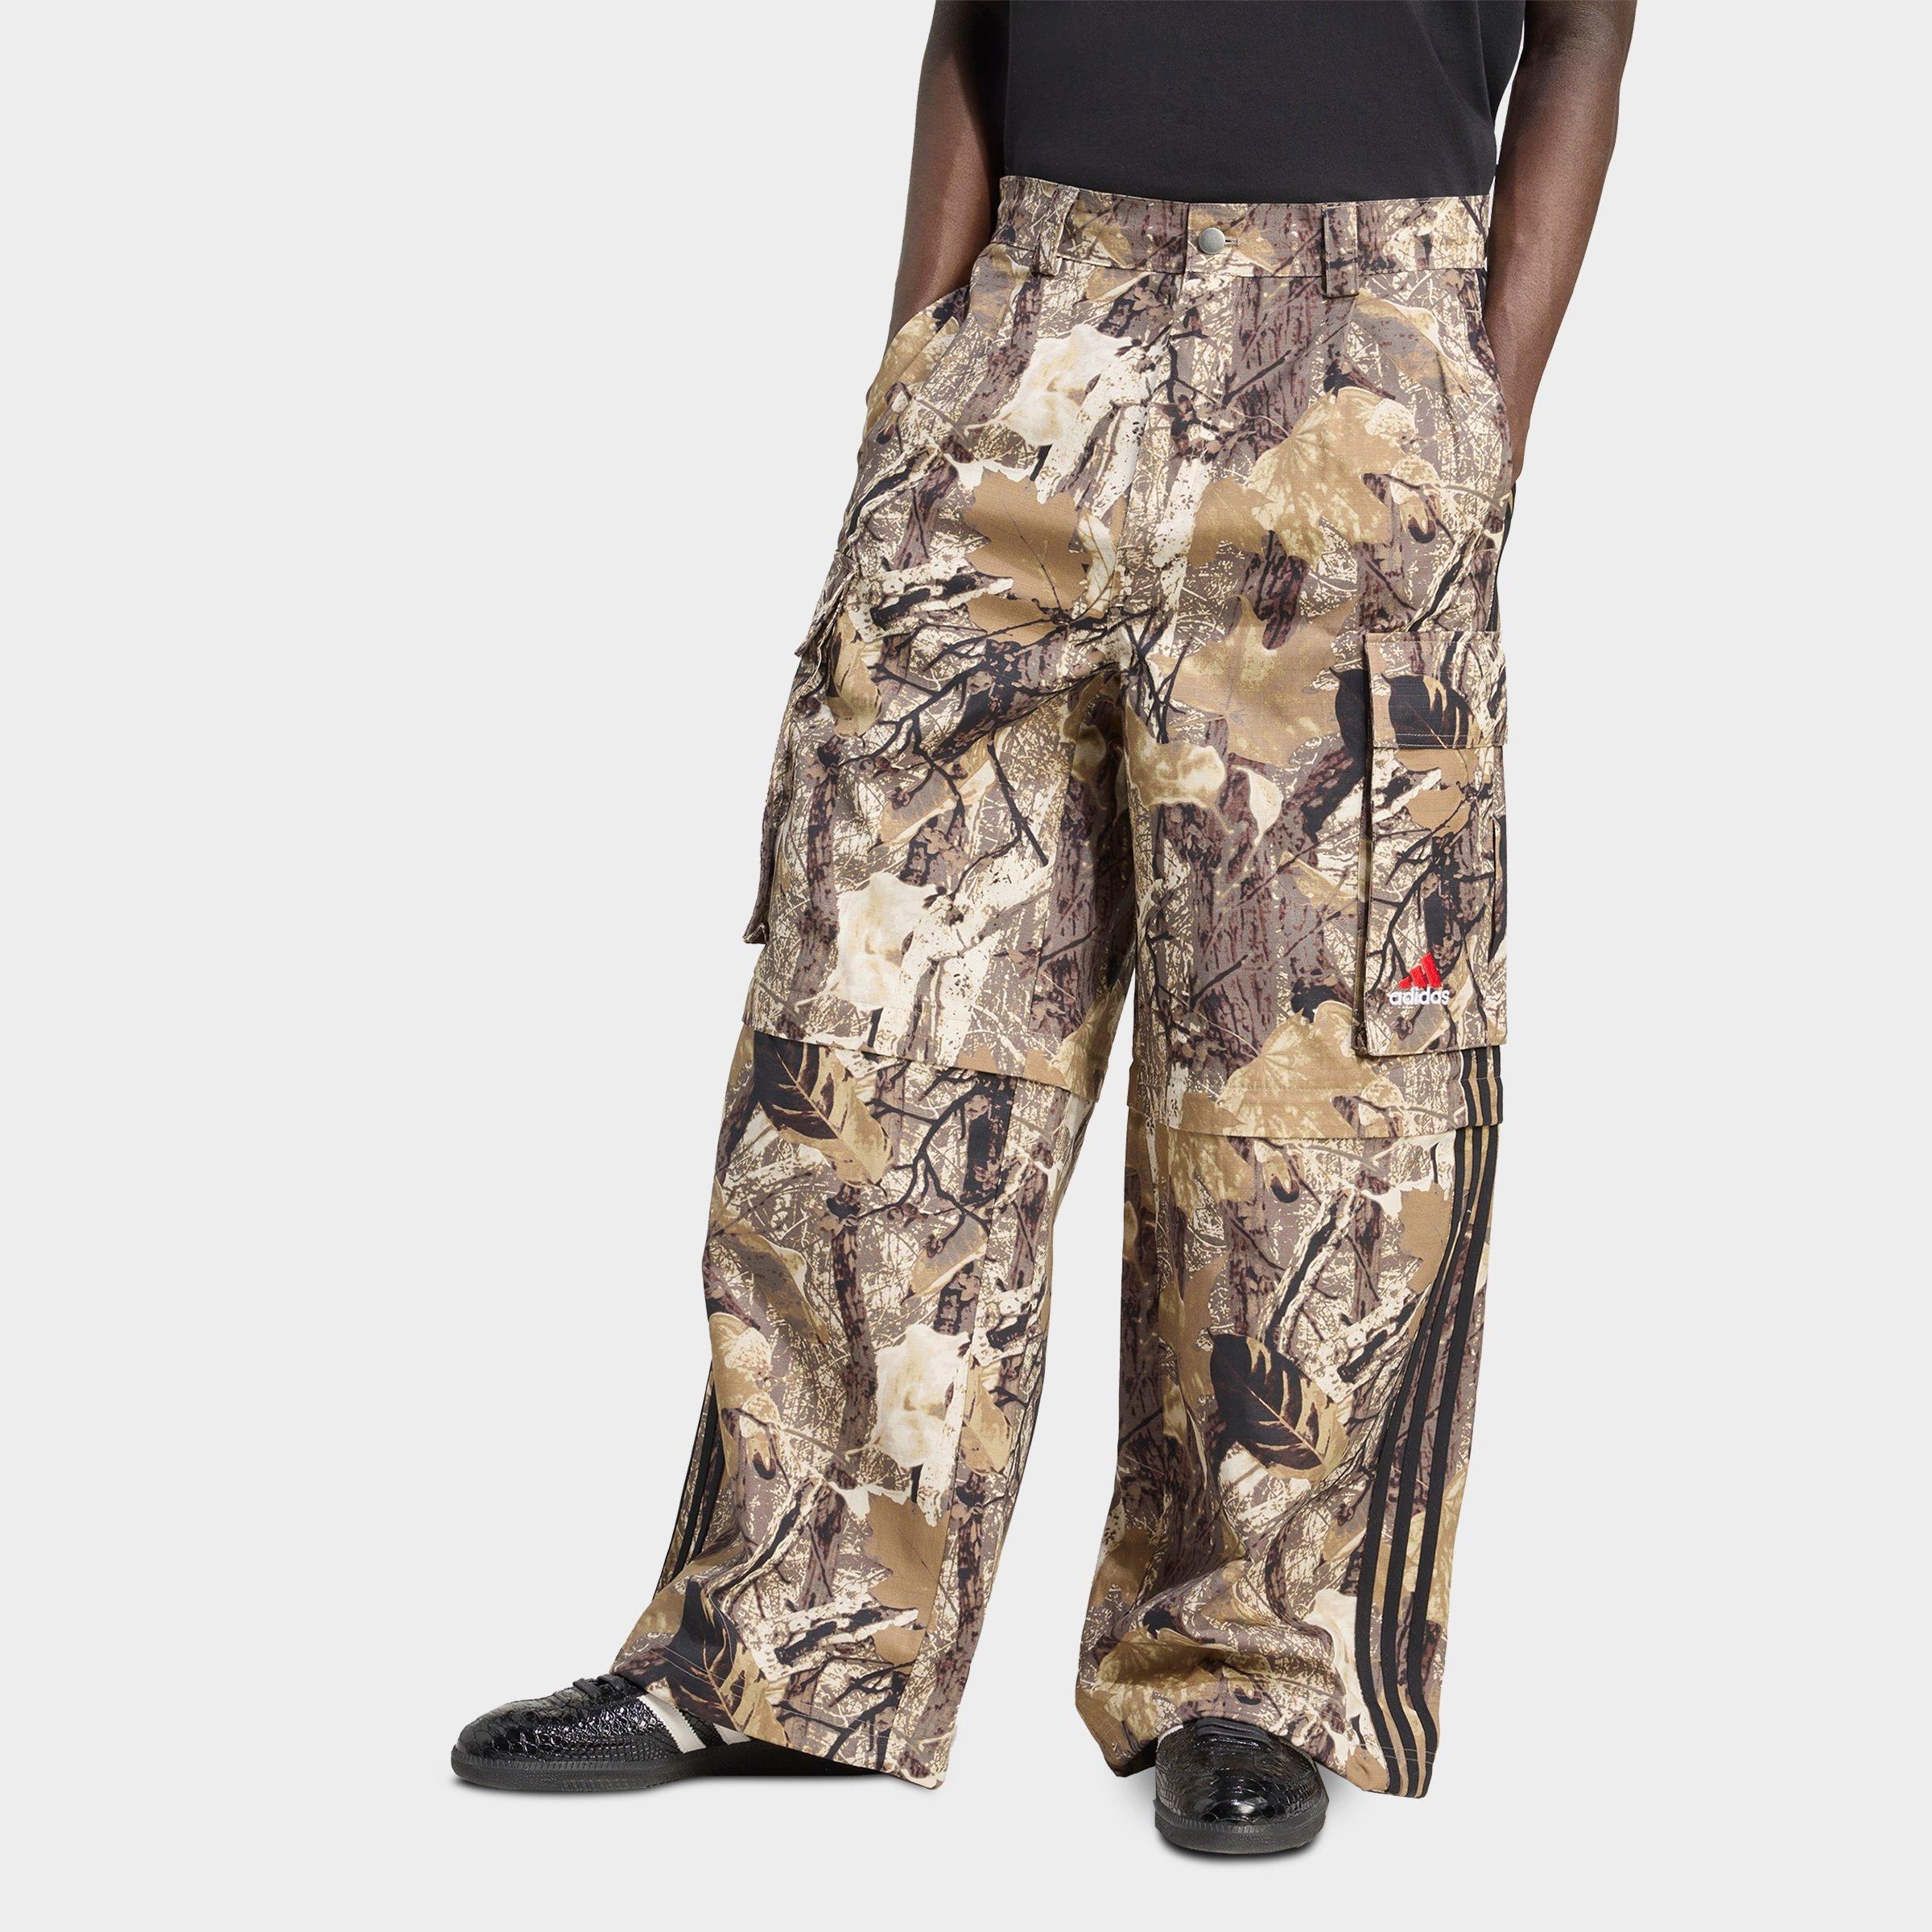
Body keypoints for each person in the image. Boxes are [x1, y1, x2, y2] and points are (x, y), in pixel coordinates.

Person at [452, 0, 1634, 1855]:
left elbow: (1584, 30)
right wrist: (921, 371)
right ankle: (790, 1647)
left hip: (1366, 344)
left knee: (1309, 1082)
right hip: (1031, 325)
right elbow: (974, 20)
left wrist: (1481, 415)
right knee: (878, 1013)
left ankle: (1250, 1673)